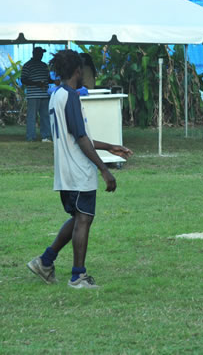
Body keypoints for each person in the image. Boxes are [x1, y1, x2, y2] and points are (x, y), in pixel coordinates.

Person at [26, 50, 132, 289]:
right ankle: (78, 276)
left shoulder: (56, 95)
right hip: (78, 171)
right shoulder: (71, 96)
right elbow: (81, 138)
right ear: (77, 71)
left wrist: (110, 147)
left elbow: (77, 136)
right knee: (84, 219)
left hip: (65, 171)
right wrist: (104, 169)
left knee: (78, 218)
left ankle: (45, 262)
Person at [20, 46, 52, 142]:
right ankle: (30, 137)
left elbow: (48, 79)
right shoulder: (27, 65)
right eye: (40, 53)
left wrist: (55, 81)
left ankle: (46, 136)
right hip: (33, 95)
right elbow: (23, 80)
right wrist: (36, 83)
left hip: (44, 95)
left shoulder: (44, 65)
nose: (41, 55)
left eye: (42, 54)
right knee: (31, 117)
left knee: (45, 116)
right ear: (34, 54)